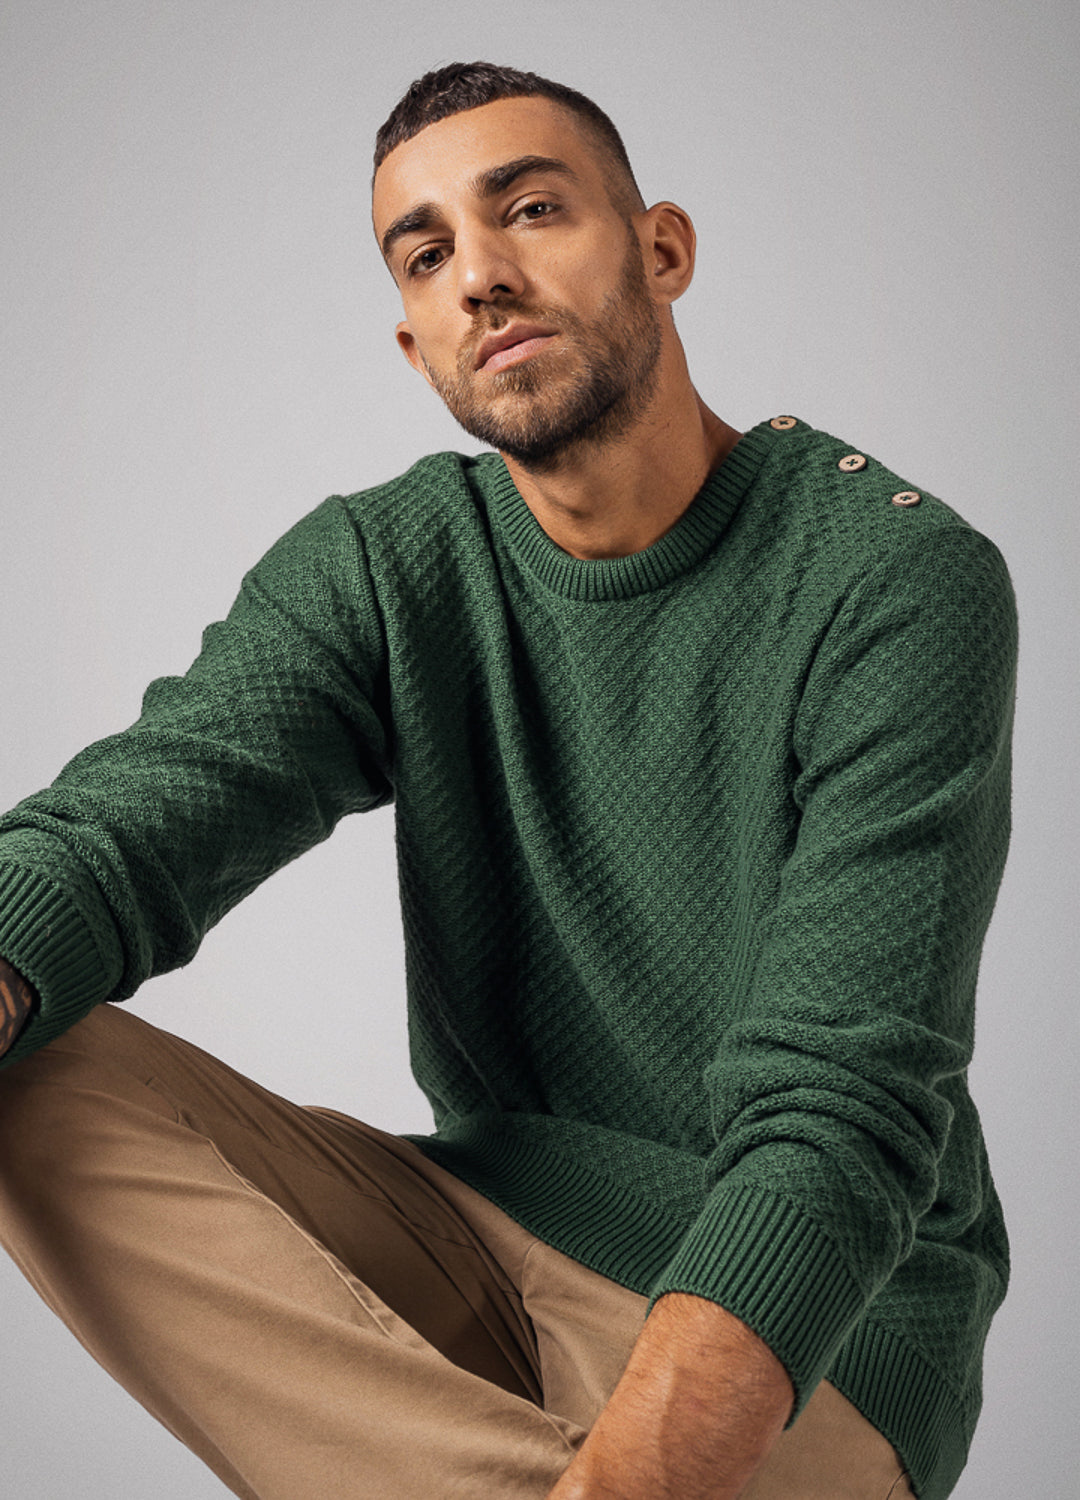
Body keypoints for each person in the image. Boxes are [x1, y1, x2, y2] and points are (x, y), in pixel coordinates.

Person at [0, 61, 1016, 1500]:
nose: (480, 276)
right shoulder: (389, 566)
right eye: (425, 256)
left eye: (530, 210)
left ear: (662, 249)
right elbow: (126, 833)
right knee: (30, 1046)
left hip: (816, 1321)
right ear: (413, 344)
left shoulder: (894, 580)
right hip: (481, 1220)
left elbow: (841, 1099)